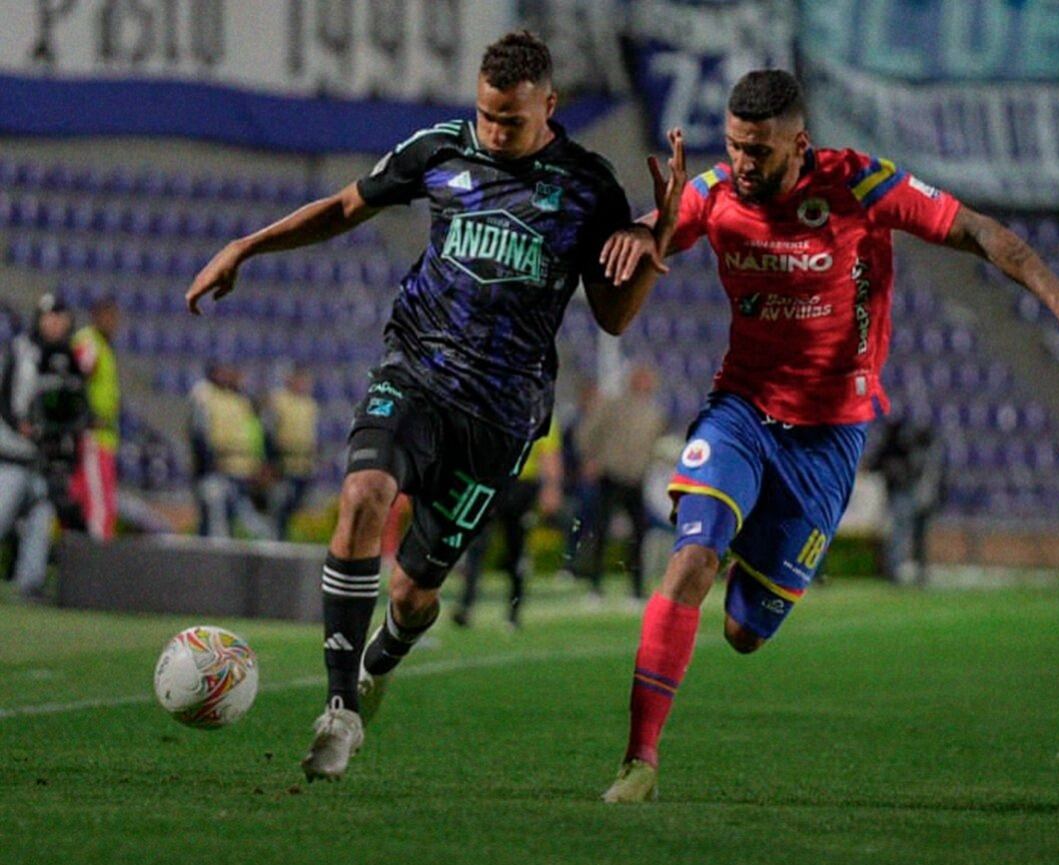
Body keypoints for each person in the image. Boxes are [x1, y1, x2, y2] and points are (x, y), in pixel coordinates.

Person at [596, 69, 1059, 802]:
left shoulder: (857, 185)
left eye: (759, 151)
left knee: (743, 634)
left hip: (828, 438)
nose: (743, 165)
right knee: (690, 556)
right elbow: (619, 306)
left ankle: (749, 556)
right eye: (733, 146)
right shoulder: (711, 192)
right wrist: (643, 228)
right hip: (741, 410)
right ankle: (639, 759)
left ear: (800, 144)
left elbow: (976, 230)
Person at [185, 30, 686, 782]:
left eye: (510, 120)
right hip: (413, 371)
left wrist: (659, 235)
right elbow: (345, 206)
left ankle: (384, 655)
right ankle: (338, 709)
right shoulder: (441, 148)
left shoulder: (588, 186)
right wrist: (245, 247)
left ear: (548, 106)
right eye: (485, 114)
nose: (493, 131)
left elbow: (613, 315)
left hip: (499, 415)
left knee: (415, 593)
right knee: (361, 495)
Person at [0, 294, 88, 599]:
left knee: (41, 520)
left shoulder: (68, 357)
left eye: (60, 317)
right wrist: (18, 425)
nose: (55, 323)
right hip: (12, 453)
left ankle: (30, 584)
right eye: (49, 316)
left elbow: (78, 404)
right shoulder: (20, 349)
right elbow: (4, 397)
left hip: (47, 457)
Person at [451, 419, 564, 629]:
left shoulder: (539, 408)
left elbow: (549, 451)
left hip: (522, 484)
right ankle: (466, 606)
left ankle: (513, 609)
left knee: (516, 549)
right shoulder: (501, 400)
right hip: (493, 479)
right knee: (477, 545)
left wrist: (551, 487)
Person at [576, 363, 667, 600]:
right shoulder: (614, 406)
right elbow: (587, 432)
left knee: (638, 534)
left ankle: (636, 587)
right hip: (611, 475)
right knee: (600, 532)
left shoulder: (654, 413)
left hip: (636, 479)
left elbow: (656, 445)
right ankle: (594, 585)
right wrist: (591, 458)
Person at [187, 363, 273, 539]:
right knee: (215, 525)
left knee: (240, 523)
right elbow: (199, 434)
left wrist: (259, 462)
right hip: (216, 470)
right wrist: (207, 466)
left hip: (242, 471)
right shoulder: (204, 395)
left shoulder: (242, 401)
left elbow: (253, 434)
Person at [868, 413, 943, 584]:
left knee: (908, 535)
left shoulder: (913, 451)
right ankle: (898, 570)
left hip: (912, 495)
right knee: (903, 534)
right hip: (907, 495)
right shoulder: (910, 451)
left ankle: (910, 570)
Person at [70, 295, 121, 541]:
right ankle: (97, 563)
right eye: (109, 317)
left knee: (96, 502)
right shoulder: (89, 342)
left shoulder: (103, 345)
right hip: (92, 437)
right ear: (97, 316)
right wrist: (86, 417)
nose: (114, 323)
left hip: (104, 437)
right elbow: (73, 380)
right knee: (98, 506)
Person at [263, 368, 319, 540]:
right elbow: (269, 432)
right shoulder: (278, 401)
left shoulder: (310, 405)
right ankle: (277, 539)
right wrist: (272, 462)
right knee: (280, 505)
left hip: (304, 466)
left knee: (296, 508)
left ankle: (287, 539)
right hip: (283, 465)